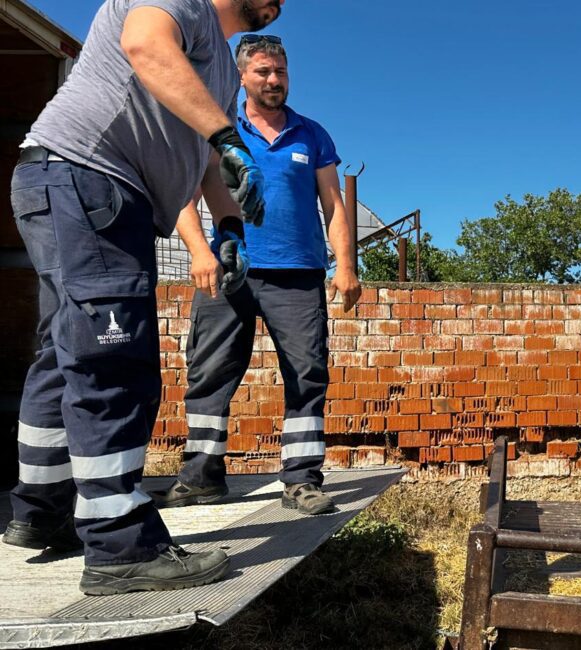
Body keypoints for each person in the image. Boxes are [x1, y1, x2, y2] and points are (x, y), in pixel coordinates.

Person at [3, 0, 285, 596]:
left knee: (66, 354)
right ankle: (121, 547)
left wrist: (230, 229)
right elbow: (146, 47)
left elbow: (210, 160)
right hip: (90, 177)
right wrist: (229, 137)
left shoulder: (220, 74)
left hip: (77, 185)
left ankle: (42, 511)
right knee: (116, 361)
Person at [152, 35, 361, 515]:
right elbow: (184, 191)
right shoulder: (219, 127)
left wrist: (346, 266)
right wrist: (199, 252)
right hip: (227, 271)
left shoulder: (312, 135)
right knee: (210, 372)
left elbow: (334, 203)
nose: (274, 80)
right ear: (242, 75)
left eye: (281, 72)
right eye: (264, 72)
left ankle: (302, 481)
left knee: (307, 373)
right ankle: (201, 476)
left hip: (297, 274)